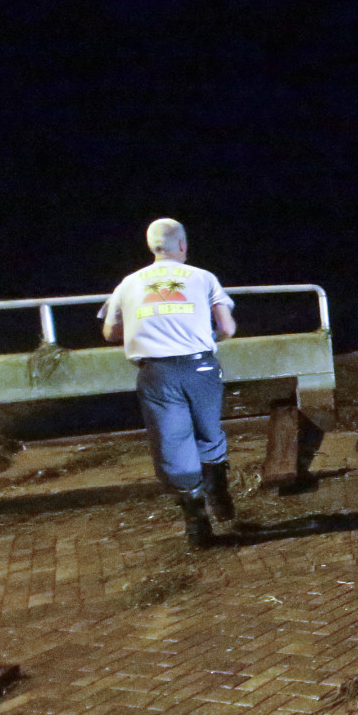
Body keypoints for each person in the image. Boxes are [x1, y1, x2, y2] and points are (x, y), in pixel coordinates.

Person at [100, 218, 237, 547]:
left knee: (172, 442)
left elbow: (109, 332)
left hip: (156, 373)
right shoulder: (203, 278)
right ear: (183, 246)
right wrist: (200, 333)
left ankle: (195, 517)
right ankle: (218, 491)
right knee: (208, 431)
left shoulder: (129, 283)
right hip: (199, 367)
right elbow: (228, 328)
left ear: (152, 247)